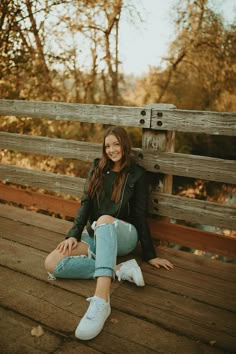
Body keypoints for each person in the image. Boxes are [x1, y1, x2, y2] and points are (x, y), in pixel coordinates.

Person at [44, 126, 173, 341]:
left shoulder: (137, 174)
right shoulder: (97, 167)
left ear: (124, 145)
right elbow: (85, 203)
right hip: (96, 234)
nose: (112, 150)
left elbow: (140, 216)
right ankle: (120, 268)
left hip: (125, 236)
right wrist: (73, 235)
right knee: (52, 263)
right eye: (107, 146)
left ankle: (101, 300)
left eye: (116, 144)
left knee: (104, 220)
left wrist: (150, 254)